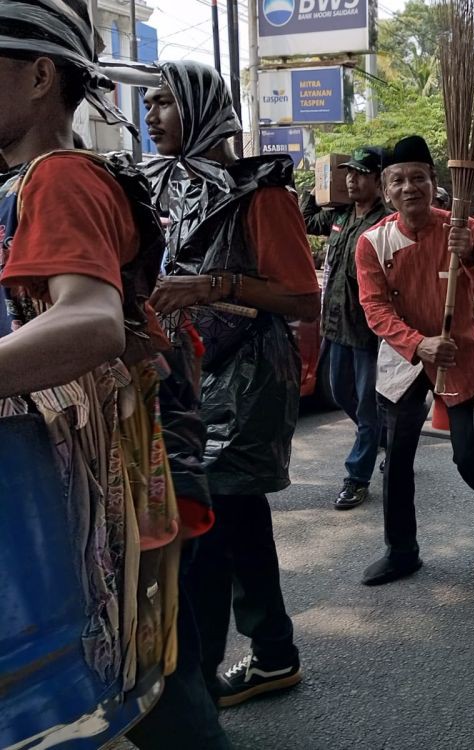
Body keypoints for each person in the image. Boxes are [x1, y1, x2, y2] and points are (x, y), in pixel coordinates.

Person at [0, 5, 228, 747]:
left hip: (87, 495)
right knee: (150, 676)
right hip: (83, 488)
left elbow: (91, 322)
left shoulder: (58, 177)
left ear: (39, 76)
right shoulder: (26, 184)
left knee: (144, 682)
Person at [143, 60, 320, 707]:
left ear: (201, 106)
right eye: (149, 103)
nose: (150, 115)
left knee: (208, 533)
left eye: (165, 101)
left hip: (246, 386)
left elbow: (303, 298)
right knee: (237, 521)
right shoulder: (173, 189)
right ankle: (273, 654)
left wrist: (210, 285)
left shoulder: (261, 192)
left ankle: (194, 688)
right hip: (193, 379)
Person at [355, 135, 474, 586]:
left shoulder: (464, 230)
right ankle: (401, 550)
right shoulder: (373, 242)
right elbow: (375, 309)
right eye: (398, 180)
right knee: (398, 458)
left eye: (418, 178)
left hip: (456, 352)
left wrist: (468, 255)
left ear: (434, 183)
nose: (410, 188)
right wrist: (417, 342)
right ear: (386, 190)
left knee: (466, 455)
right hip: (406, 360)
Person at [301, 146, 390, 509]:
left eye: (361, 174)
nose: (352, 179)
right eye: (348, 173)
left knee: (366, 408)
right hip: (335, 327)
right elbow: (305, 220)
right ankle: (385, 436)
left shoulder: (385, 222)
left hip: (368, 332)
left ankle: (357, 477)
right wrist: (317, 188)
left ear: (378, 180)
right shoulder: (339, 216)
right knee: (340, 395)